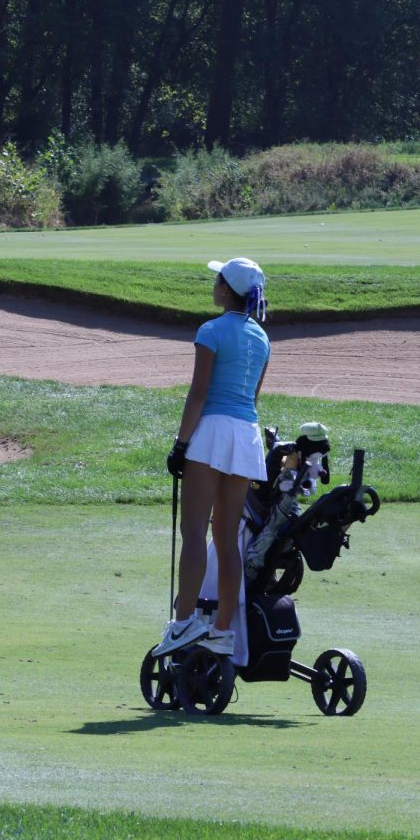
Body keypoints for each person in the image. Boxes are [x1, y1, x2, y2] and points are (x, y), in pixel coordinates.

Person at [152, 257, 270, 658]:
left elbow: (198, 394)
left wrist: (180, 445)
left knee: (194, 533)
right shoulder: (262, 337)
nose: (214, 284)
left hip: (213, 435)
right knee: (226, 540)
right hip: (246, 437)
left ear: (226, 289)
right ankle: (222, 630)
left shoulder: (211, 331)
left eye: (217, 279)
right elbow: (252, 399)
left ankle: (183, 623)